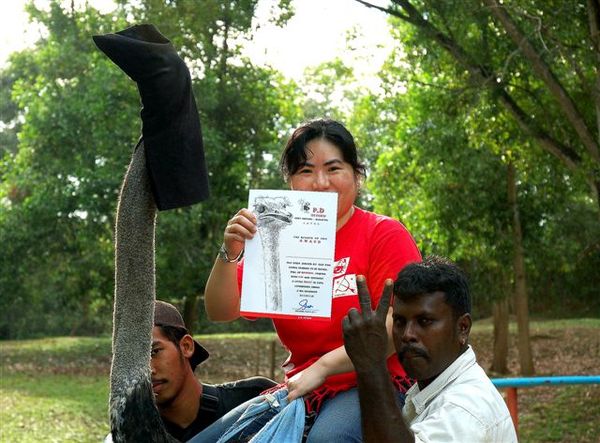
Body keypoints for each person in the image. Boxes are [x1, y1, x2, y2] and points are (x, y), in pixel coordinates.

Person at [196, 119, 421, 442]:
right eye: (305, 171)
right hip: (302, 389)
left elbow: (396, 327)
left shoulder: (382, 233)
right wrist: (230, 250)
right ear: (289, 180)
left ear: (356, 175)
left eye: (333, 168)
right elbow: (219, 310)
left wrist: (323, 367)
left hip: (373, 382)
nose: (320, 183)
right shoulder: (277, 236)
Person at [342, 256, 518, 442]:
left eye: (424, 321)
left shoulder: (464, 411)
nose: (407, 334)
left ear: (462, 328)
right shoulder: (428, 390)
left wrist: (371, 367)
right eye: (400, 322)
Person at [150, 300, 277, 441]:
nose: (147, 370)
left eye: (154, 352)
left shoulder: (259, 400)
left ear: (186, 346)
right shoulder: (130, 431)